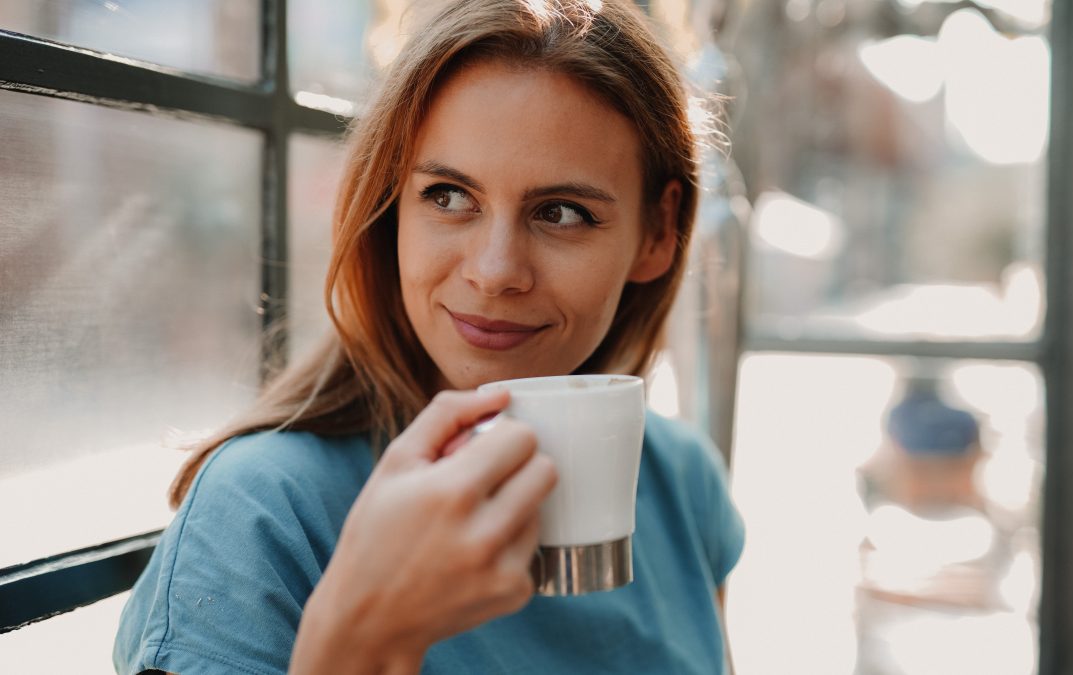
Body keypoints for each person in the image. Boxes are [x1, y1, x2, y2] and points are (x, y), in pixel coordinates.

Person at [114, 1, 745, 673]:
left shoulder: (682, 482)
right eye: (448, 196)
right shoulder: (264, 513)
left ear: (658, 230)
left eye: (561, 212)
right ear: (390, 205)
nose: (495, 271)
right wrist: (365, 633)